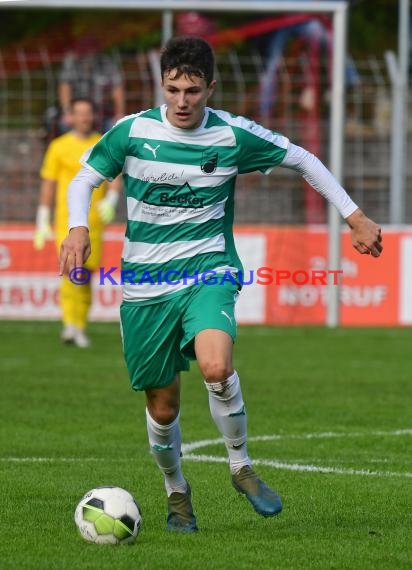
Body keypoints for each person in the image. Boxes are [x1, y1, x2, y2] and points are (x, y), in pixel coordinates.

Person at [59, 36, 382, 531]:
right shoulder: (132, 131)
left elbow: (303, 160)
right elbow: (83, 179)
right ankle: (177, 492)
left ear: (211, 87)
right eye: (173, 90)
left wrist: (355, 217)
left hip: (209, 269)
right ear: (161, 86)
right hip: (145, 283)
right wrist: (77, 226)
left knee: (216, 365)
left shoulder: (232, 135)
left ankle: (240, 465)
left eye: (192, 91)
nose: (182, 102)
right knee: (163, 408)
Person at [34, 97, 121, 348]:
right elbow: (48, 183)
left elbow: (116, 176)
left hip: (94, 223)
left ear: (93, 116)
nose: (83, 118)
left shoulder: (102, 144)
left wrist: (112, 199)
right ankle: (70, 325)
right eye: (78, 113)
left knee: (84, 274)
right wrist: (42, 217)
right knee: (69, 271)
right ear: (69, 117)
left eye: (88, 113)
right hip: (66, 221)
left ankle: (79, 325)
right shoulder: (58, 146)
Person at [257, 1, 361, 121]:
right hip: (281, 21)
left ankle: (348, 77)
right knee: (272, 64)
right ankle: (264, 111)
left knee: (329, 39)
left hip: (303, 21)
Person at [58, 35, 125, 134]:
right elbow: (64, 87)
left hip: (101, 111)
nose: (88, 51)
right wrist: (67, 112)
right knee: (64, 124)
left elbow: (117, 87)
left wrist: (119, 114)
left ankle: (105, 149)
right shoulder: (71, 62)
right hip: (78, 111)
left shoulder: (106, 63)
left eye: (91, 48)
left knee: (115, 128)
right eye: (85, 48)